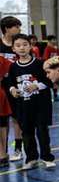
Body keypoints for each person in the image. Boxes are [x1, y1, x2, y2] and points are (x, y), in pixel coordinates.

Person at [2, 34, 55, 170]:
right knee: (26, 133)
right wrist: (13, 89)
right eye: (18, 46)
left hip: (40, 106)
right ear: (13, 49)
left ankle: (46, 157)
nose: (22, 48)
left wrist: (36, 85)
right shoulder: (13, 67)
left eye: (25, 45)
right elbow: (10, 83)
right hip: (23, 106)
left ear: (31, 46)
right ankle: (31, 158)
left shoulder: (40, 63)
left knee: (42, 132)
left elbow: (49, 81)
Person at [0, 16, 23, 162]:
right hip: (1, 88)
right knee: (3, 121)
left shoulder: (19, 44)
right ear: (7, 28)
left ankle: (18, 149)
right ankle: (3, 151)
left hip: (15, 85)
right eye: (16, 26)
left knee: (16, 118)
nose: (19, 29)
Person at [0, 55, 12, 167]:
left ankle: (2, 155)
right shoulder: (2, 59)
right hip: (1, 92)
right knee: (2, 124)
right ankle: (3, 154)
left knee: (2, 123)